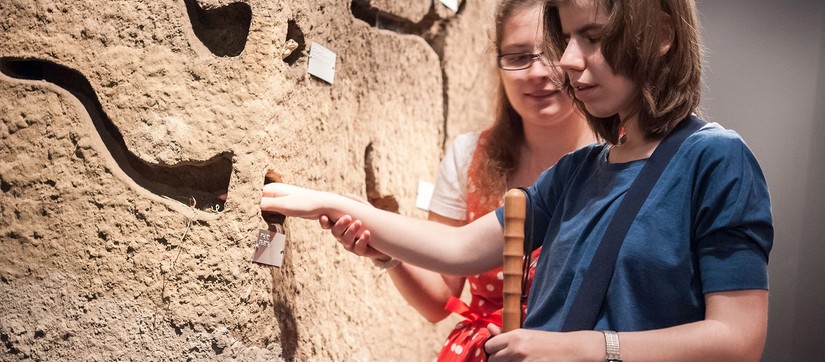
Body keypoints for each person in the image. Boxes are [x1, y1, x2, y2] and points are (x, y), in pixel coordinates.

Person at [260, 0, 773, 360]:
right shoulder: (578, 171)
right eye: (568, 38)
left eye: (592, 37)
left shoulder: (715, 160)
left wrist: (587, 349)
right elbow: (461, 249)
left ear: (660, 35)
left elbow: (737, 338)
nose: (569, 61)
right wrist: (336, 204)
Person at [318, 0, 595, 360]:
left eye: (554, 52)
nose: (538, 72)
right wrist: (387, 252)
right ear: (498, 65)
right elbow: (440, 299)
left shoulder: (621, 156)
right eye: (517, 56)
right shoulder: (469, 155)